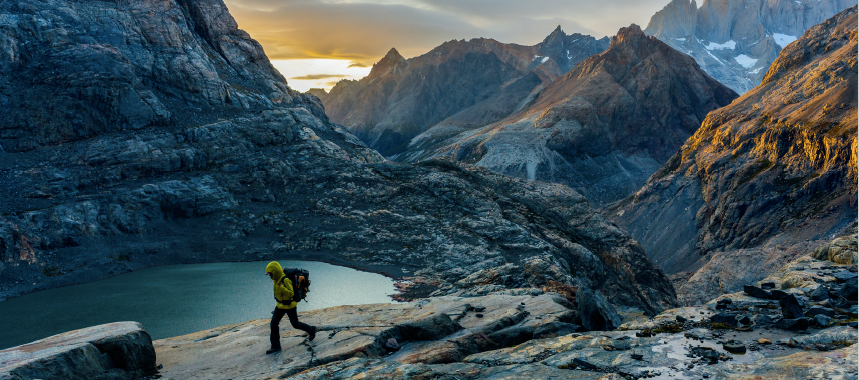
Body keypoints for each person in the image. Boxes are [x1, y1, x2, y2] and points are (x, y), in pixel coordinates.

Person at [265, 261, 317, 354]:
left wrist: (282, 288)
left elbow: (291, 293)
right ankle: (275, 346)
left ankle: (312, 329)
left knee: (295, 324)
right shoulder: (275, 279)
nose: (269, 276)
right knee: (273, 324)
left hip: (289, 305)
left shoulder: (285, 280)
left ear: (275, 271)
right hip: (280, 305)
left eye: (270, 274)